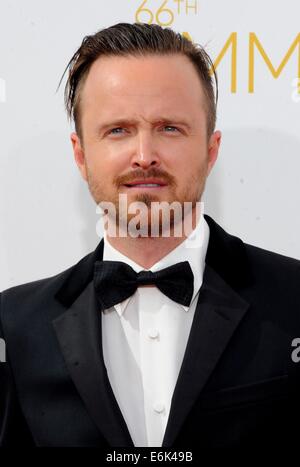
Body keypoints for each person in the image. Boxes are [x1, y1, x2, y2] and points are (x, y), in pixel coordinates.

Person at [1, 22, 300, 448]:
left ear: (211, 150)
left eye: (170, 128)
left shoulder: (293, 300)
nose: (144, 157)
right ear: (81, 155)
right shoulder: (15, 325)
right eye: (118, 130)